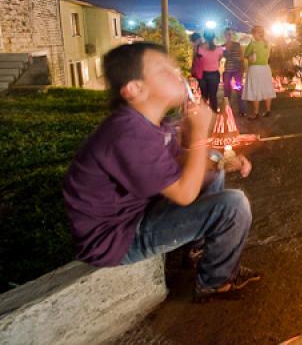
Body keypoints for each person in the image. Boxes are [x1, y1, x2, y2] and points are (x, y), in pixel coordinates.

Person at [62, 42, 260, 303]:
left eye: (174, 68)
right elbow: (184, 194)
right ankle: (215, 281)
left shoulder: (151, 122)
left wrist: (220, 159)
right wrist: (200, 132)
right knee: (233, 205)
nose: (177, 74)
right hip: (116, 238)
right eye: (163, 70)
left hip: (140, 211)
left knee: (211, 168)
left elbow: (178, 160)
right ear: (134, 89)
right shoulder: (128, 133)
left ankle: (196, 249)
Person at [242, 25, 276, 118]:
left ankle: (256, 113)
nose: (253, 36)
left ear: (256, 33)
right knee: (266, 88)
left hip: (255, 69)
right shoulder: (268, 44)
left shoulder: (252, 44)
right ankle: (268, 111)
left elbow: (245, 55)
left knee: (255, 90)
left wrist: (250, 57)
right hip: (265, 68)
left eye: (253, 33)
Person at [197, 30, 224, 112]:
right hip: (214, 74)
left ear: (204, 37)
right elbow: (219, 59)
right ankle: (214, 115)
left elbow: (198, 61)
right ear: (214, 37)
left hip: (203, 75)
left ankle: (204, 116)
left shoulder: (199, 48)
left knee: (204, 96)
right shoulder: (219, 49)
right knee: (213, 96)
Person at [223, 28, 246, 116]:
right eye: (227, 34)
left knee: (239, 90)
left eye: (230, 34)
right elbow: (220, 57)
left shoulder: (237, 45)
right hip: (227, 70)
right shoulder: (223, 46)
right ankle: (227, 111)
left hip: (237, 70)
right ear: (224, 35)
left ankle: (242, 111)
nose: (228, 35)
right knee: (227, 91)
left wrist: (242, 69)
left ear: (232, 35)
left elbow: (241, 57)